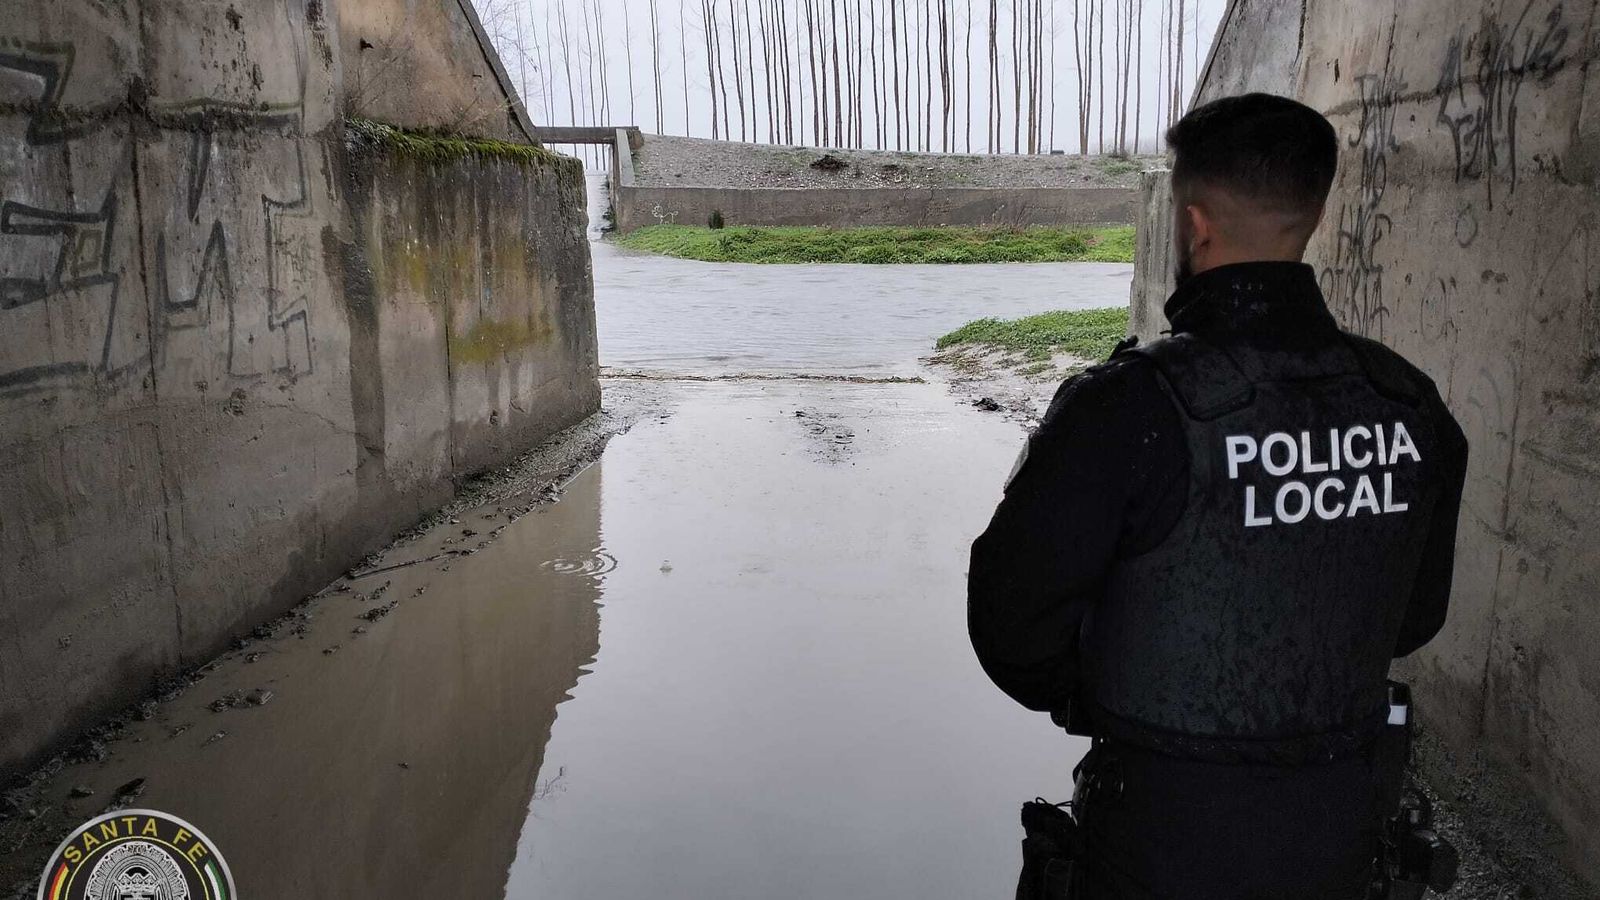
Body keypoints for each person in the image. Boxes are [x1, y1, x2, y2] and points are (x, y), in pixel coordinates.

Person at [968, 93, 1470, 900]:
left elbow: (1013, 627)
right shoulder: (1409, 402)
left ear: (1194, 225)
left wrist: (1120, 687)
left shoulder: (1127, 409)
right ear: (1309, 214)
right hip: (1340, 826)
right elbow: (1414, 615)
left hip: (1160, 835)